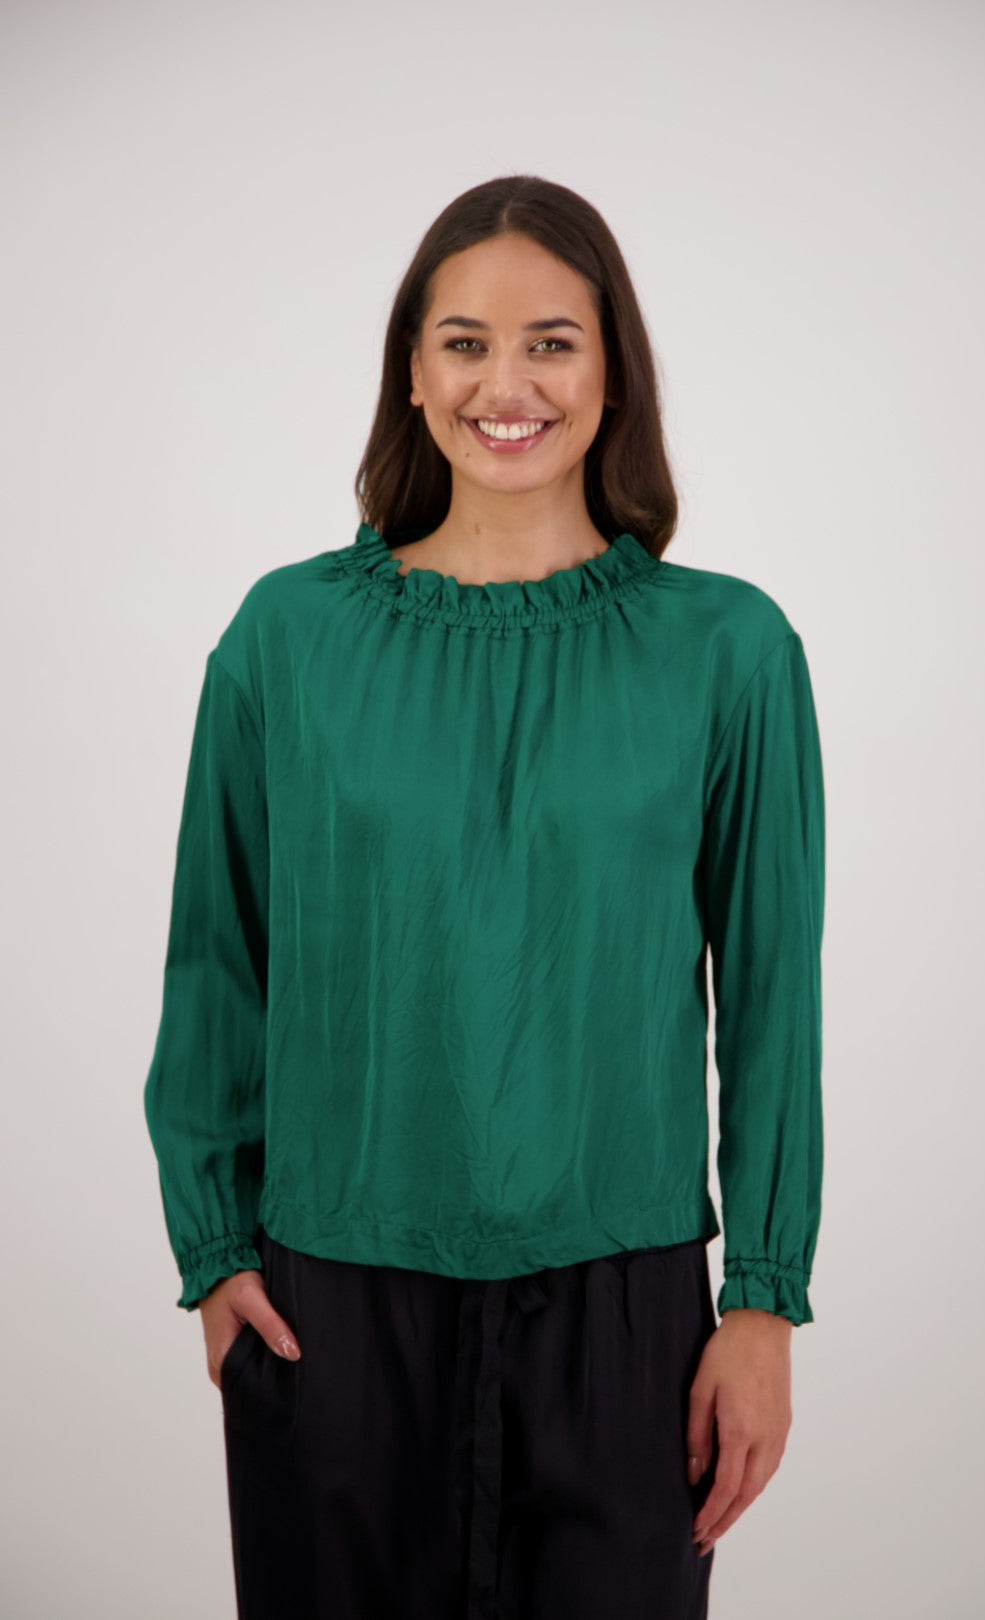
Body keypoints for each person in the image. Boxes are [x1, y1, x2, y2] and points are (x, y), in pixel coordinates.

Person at [143, 173, 826, 1620]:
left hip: (627, 1316)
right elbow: (217, 956)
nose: (504, 384)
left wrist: (763, 1300)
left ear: (614, 370)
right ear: (411, 369)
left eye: (551, 343)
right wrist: (214, 1253)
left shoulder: (730, 652)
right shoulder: (286, 640)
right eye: (464, 342)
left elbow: (774, 1000)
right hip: (331, 1308)